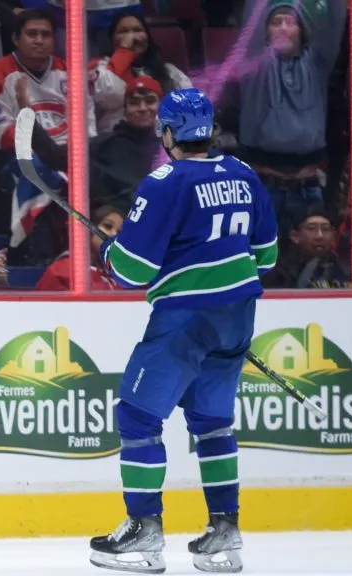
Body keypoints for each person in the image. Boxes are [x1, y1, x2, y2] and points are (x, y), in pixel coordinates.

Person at [89, 88, 278, 574]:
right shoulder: (244, 173)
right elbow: (268, 256)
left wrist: (108, 254)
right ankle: (225, 531)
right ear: (209, 130)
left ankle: (145, 529)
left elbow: (131, 269)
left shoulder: (164, 181)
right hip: (237, 317)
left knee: (136, 417)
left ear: (167, 133)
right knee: (213, 423)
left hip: (185, 320)